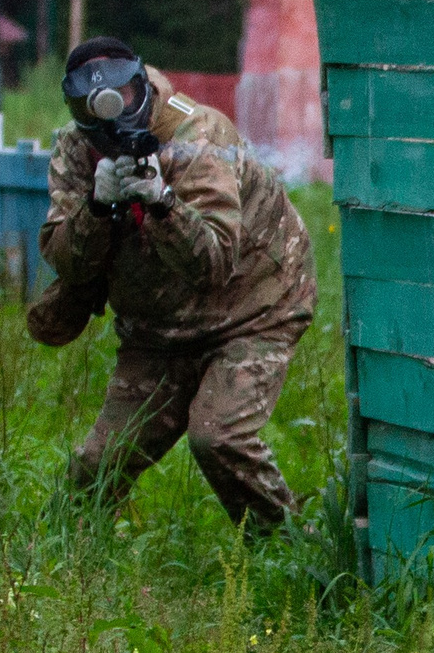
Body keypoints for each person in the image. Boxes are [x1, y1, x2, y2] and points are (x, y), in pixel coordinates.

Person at [25, 36, 316, 530]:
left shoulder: (198, 137)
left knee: (219, 437)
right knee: (98, 466)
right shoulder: (76, 150)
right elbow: (65, 262)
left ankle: (290, 549)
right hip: (157, 330)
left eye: (123, 98)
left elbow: (215, 264)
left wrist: (161, 201)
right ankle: (66, 560)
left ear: (140, 87)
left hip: (252, 310)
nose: (113, 120)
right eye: (92, 109)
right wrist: (96, 206)